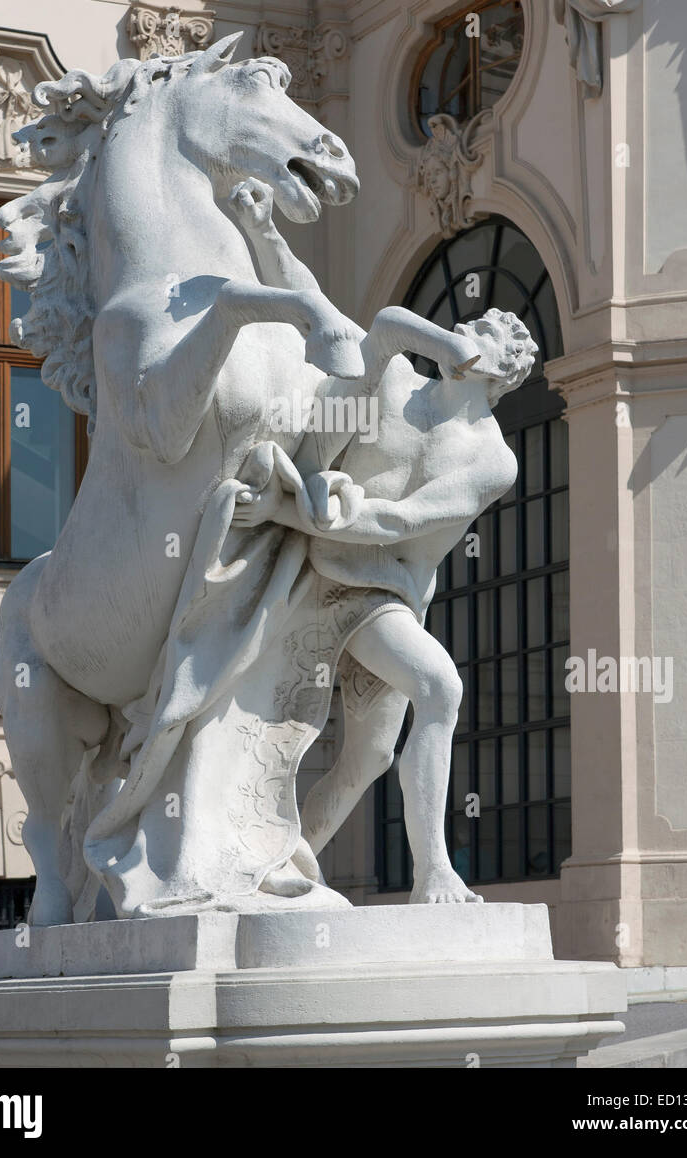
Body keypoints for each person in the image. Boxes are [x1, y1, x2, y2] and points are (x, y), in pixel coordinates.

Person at [231, 177, 537, 902]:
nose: (469, 332)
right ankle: (434, 869)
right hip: (321, 573)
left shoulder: (489, 457)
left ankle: (285, 861)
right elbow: (337, 319)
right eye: (470, 325)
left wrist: (283, 508)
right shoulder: (395, 377)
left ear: (501, 373)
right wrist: (262, 229)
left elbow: (402, 522)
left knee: (367, 754)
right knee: (441, 685)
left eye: (484, 333)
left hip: (379, 591)